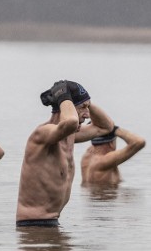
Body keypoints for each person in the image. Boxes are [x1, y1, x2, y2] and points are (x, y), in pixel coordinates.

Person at [16, 80, 115, 226]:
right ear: (67, 107)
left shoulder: (69, 136)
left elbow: (106, 127)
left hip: (52, 222)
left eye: (88, 108)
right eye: (83, 108)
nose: (87, 115)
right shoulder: (42, 134)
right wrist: (64, 97)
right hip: (33, 225)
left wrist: (84, 100)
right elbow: (70, 123)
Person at [80, 125, 146, 186]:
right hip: (104, 197)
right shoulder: (104, 160)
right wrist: (115, 129)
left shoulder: (87, 156)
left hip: (92, 196)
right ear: (111, 143)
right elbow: (139, 142)